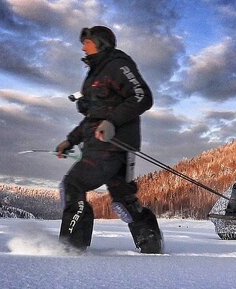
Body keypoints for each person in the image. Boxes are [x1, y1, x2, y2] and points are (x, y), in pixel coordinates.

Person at [55, 26, 162, 253]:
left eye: (87, 42)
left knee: (73, 184)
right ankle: (151, 243)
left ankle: (72, 247)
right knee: (123, 199)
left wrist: (112, 122)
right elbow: (94, 118)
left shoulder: (117, 65)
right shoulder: (95, 73)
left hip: (111, 146)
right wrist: (70, 141)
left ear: (100, 42)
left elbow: (142, 96)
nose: (83, 46)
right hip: (106, 146)